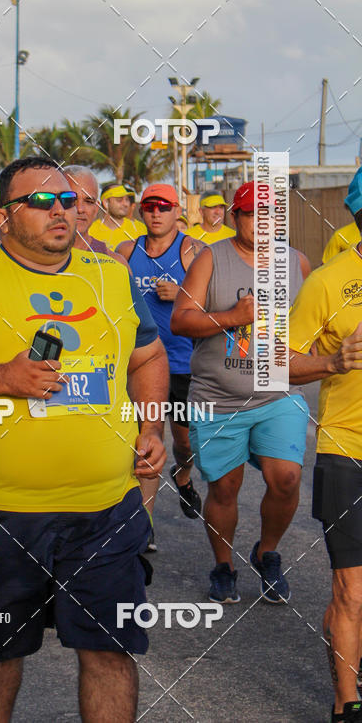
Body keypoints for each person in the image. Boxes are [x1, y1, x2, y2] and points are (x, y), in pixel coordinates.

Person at [0, 157, 168, 723]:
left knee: (111, 650)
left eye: (68, 201)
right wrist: (2, 378)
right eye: (42, 202)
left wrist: (151, 426)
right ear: (4, 216)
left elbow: (148, 354)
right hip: (2, 510)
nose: (60, 212)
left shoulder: (111, 276)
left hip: (108, 506)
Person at [171, 181, 311, 604]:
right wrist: (232, 316)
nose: (260, 224)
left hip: (276, 396)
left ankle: (267, 553)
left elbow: (315, 327)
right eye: (251, 214)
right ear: (235, 217)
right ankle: (224, 565)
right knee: (224, 488)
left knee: (286, 478)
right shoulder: (212, 258)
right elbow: (180, 320)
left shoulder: (297, 263)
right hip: (219, 397)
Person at [288, 166, 362, 723]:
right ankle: (347, 703)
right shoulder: (329, 282)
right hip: (348, 451)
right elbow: (279, 364)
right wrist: (334, 361)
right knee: (352, 591)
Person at [117, 183, 204, 535]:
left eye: (164, 207)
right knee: (144, 442)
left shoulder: (194, 251)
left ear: (177, 212)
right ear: (141, 211)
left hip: (182, 364)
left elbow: (217, 302)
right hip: (139, 363)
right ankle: (144, 526)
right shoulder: (126, 251)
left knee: (184, 443)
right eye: (150, 206)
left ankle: (183, 475)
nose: (156, 213)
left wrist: (182, 292)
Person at [64, 166, 128, 264]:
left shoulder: (114, 263)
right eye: (71, 199)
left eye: (89, 201)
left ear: (96, 208)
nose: (80, 209)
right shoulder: (35, 259)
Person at [88, 184, 146, 250]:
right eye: (119, 200)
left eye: (127, 199)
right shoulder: (90, 231)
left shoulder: (140, 229)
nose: (125, 204)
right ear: (106, 203)